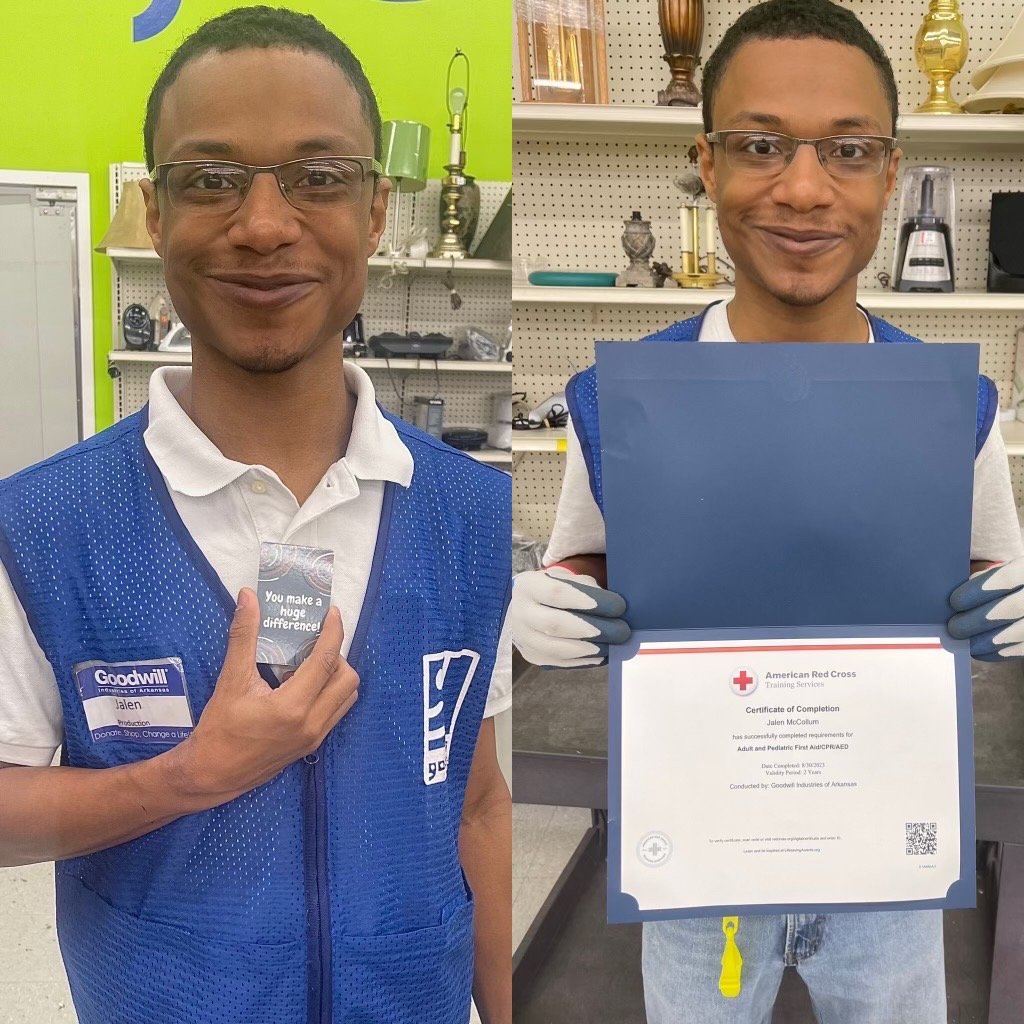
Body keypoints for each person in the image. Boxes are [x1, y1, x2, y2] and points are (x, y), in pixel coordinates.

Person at [509, 1, 1024, 1021]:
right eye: (758, 145)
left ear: (889, 169)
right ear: (706, 163)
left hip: (887, 855)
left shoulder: (951, 404)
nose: (801, 187)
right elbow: (584, 568)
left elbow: (992, 577)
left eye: (845, 149)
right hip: (697, 859)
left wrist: (1009, 608)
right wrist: (543, 611)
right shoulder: (623, 401)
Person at [0, 8, 511, 1024]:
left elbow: (481, 798)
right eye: (211, 178)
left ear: (374, 214)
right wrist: (190, 776)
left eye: (318, 176)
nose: (265, 223)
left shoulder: (472, 517)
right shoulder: (44, 525)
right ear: (154, 213)